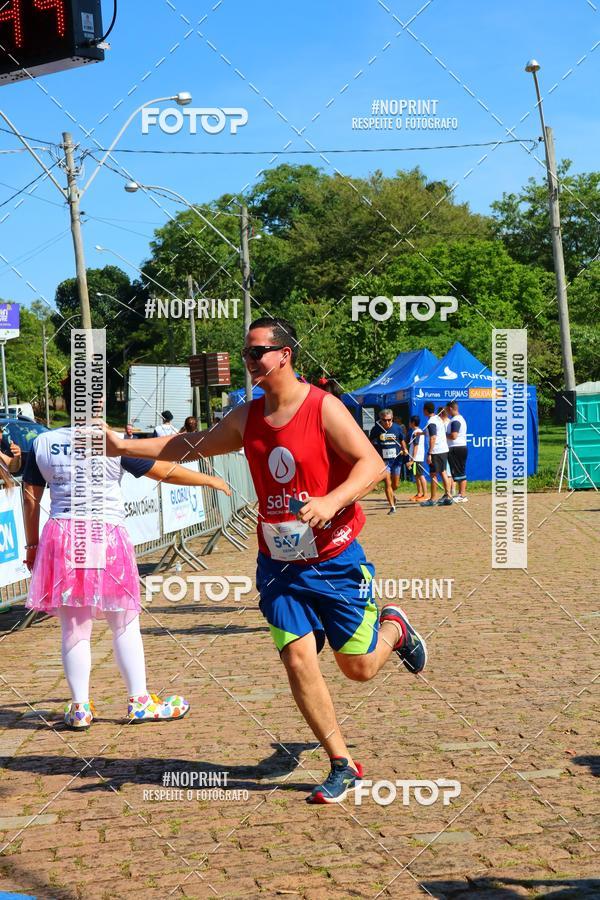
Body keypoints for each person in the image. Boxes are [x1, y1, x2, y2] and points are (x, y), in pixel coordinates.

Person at [104, 316, 428, 804]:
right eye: (246, 352)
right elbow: (188, 446)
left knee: (358, 668)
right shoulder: (247, 416)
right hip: (277, 564)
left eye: (258, 352)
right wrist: (125, 445)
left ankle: (395, 629)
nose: (250, 360)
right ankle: (342, 763)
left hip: (335, 559)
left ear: (284, 355)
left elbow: (372, 464)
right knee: (298, 658)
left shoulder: (323, 407)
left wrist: (329, 502)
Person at [22, 422, 231, 730]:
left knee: (74, 626)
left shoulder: (43, 442)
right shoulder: (111, 442)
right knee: (123, 621)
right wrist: (209, 480)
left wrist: (32, 543)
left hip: (63, 534)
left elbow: (30, 496)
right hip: (105, 532)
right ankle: (139, 700)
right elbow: (165, 471)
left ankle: (80, 707)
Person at [369, 409, 405, 515]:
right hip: (384, 462)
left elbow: (402, 440)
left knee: (396, 484)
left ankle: (392, 494)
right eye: (384, 420)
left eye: (389, 420)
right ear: (380, 420)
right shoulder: (376, 429)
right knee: (387, 483)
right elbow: (370, 442)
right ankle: (392, 507)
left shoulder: (397, 428)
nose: (387, 422)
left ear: (392, 418)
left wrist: (404, 449)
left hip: (396, 460)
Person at [421, 402, 453, 507]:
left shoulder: (431, 421)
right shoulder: (438, 419)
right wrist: (421, 433)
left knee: (433, 474)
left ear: (425, 410)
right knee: (443, 472)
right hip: (444, 450)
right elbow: (434, 433)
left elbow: (433, 437)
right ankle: (448, 496)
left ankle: (432, 499)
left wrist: (429, 452)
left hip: (436, 451)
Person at [446, 400, 468, 502]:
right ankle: (460, 494)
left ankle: (462, 495)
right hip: (458, 448)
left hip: (457, 448)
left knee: (460, 472)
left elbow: (454, 436)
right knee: (459, 471)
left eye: (447, 410)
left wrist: (443, 434)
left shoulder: (456, 420)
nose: (446, 412)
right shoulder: (457, 419)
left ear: (450, 409)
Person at [406, 416, 427, 502]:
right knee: (416, 476)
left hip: (417, 458)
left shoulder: (417, 432)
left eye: (410, 422)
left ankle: (425, 495)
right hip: (416, 458)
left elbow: (416, 446)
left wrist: (413, 459)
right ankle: (419, 493)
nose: (409, 423)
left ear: (413, 423)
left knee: (421, 475)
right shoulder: (417, 432)